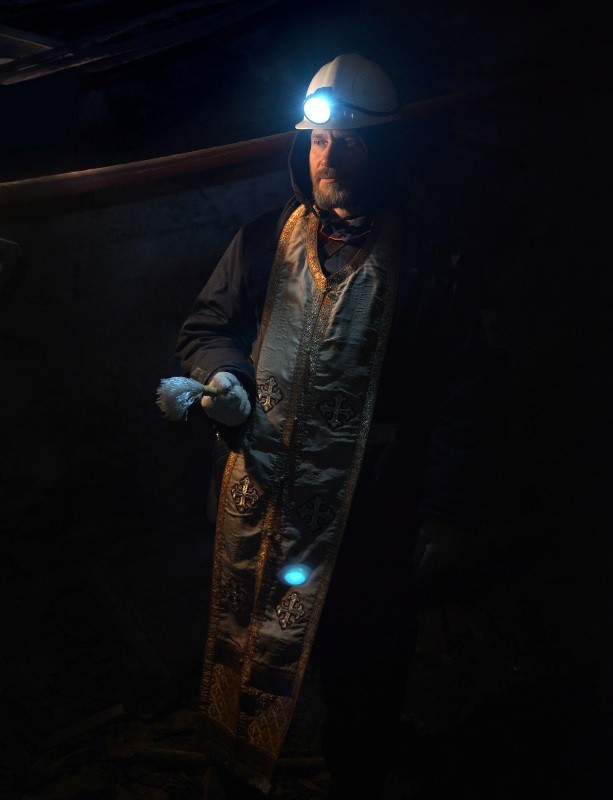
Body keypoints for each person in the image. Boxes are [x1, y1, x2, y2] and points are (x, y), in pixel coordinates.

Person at [165, 53, 505, 798]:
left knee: (363, 676)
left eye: (349, 141)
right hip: (263, 507)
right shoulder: (262, 241)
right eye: (319, 141)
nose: (330, 156)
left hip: (371, 516)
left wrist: (444, 511)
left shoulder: (432, 262)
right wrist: (226, 377)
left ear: (385, 149)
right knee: (244, 659)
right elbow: (206, 327)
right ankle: (235, 775)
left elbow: (465, 394)